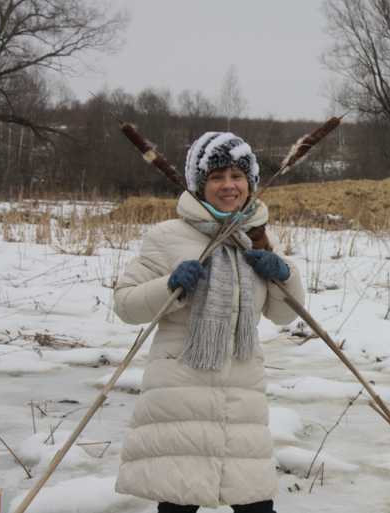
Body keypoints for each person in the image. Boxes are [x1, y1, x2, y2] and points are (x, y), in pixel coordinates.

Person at [112, 132, 305, 513]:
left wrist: (284, 274)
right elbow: (125, 305)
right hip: (179, 399)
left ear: (250, 182)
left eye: (237, 175)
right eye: (217, 176)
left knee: (255, 505)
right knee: (179, 504)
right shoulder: (168, 236)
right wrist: (169, 287)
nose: (229, 185)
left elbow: (283, 315)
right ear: (200, 184)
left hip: (241, 401)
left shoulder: (257, 237)